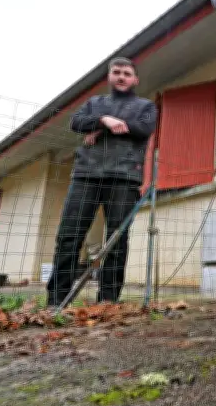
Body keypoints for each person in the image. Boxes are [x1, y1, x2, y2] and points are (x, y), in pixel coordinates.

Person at [46, 56, 157, 307]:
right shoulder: (94, 103)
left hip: (125, 178)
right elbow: (75, 123)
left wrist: (100, 129)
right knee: (69, 236)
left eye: (127, 73)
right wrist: (103, 120)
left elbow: (144, 129)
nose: (121, 77)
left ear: (135, 79)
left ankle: (107, 300)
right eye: (116, 72)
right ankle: (56, 300)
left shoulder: (146, 106)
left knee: (116, 240)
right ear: (109, 76)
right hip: (86, 175)